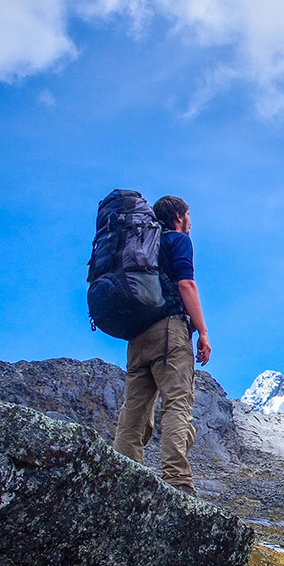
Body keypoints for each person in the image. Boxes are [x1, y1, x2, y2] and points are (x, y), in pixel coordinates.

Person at [112, 195, 211, 495]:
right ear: (179, 217)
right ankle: (177, 479)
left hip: (137, 336)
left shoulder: (142, 246)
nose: (191, 221)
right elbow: (186, 285)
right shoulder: (178, 241)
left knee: (134, 409)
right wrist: (203, 333)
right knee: (177, 403)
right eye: (189, 214)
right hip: (169, 331)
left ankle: (121, 479)